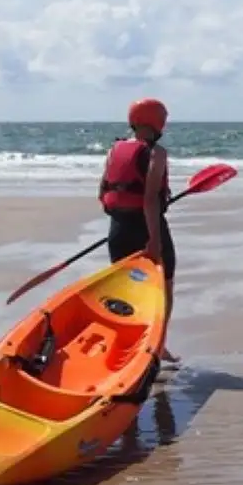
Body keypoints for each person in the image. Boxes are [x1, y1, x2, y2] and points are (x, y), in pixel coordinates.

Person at [98, 98, 178, 364]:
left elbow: (103, 193)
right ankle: (157, 346)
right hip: (147, 227)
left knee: (126, 292)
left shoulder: (114, 150)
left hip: (118, 230)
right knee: (162, 288)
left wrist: (120, 221)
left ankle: (124, 346)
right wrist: (153, 239)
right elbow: (150, 199)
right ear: (157, 122)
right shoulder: (157, 153)